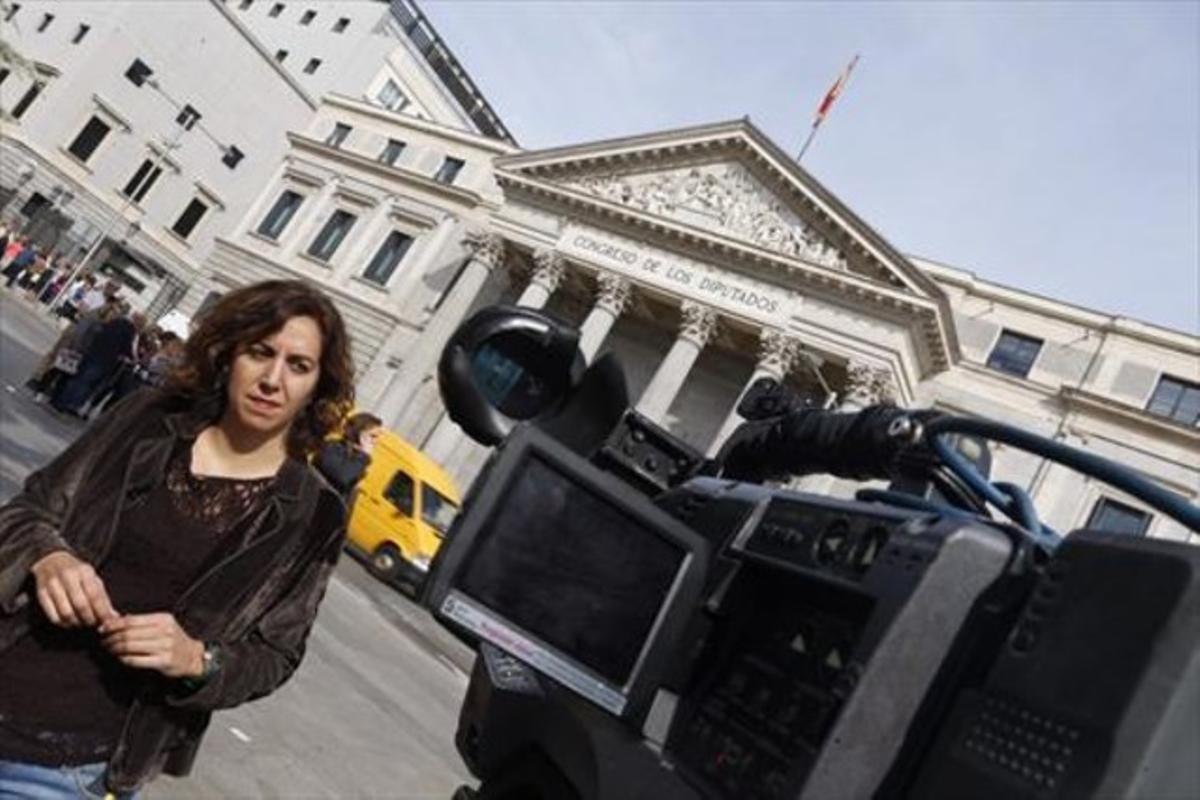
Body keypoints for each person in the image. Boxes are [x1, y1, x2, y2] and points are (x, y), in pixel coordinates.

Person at [0, 279, 355, 797]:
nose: (272, 380)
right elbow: (26, 511)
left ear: (318, 386)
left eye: (298, 365)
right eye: (260, 352)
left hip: (72, 767)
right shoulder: (148, 419)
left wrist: (198, 660)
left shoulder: (313, 512)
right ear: (229, 354)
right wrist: (48, 556)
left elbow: (276, 653)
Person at [314, 411, 383, 499]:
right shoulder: (332, 447)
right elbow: (343, 476)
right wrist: (363, 456)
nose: (376, 441)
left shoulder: (356, 459)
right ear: (358, 433)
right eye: (372, 436)